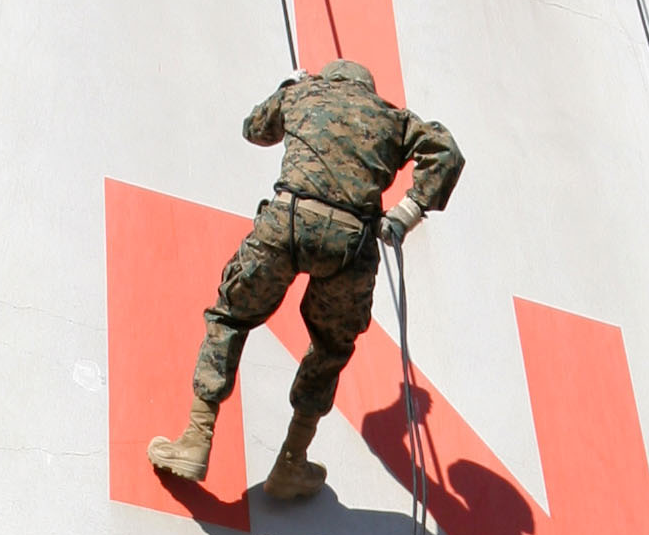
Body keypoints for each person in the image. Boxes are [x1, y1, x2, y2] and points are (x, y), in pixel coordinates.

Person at [151, 63, 463, 500]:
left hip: (286, 224)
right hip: (350, 244)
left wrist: (291, 86)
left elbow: (254, 129)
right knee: (330, 348)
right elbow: (447, 152)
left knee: (231, 317)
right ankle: (291, 462)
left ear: (329, 81)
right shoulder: (393, 118)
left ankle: (196, 440)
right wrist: (408, 212)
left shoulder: (304, 94)